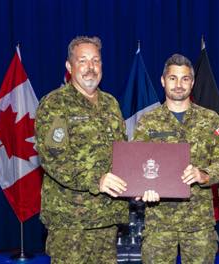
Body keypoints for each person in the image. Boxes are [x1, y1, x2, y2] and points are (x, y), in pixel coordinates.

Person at [35, 36, 129, 264]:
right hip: (70, 221)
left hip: (106, 217)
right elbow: (53, 159)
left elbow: (122, 152)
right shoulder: (55, 103)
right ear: (69, 66)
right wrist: (96, 179)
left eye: (96, 61)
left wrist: (133, 180)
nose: (90, 68)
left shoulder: (110, 103)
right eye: (83, 61)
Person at [133, 54, 219, 263]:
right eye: (173, 78)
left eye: (185, 79)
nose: (179, 85)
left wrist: (204, 174)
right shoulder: (147, 122)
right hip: (159, 222)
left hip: (198, 224)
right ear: (163, 81)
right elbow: (136, 167)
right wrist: (142, 190)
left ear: (193, 82)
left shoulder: (210, 119)